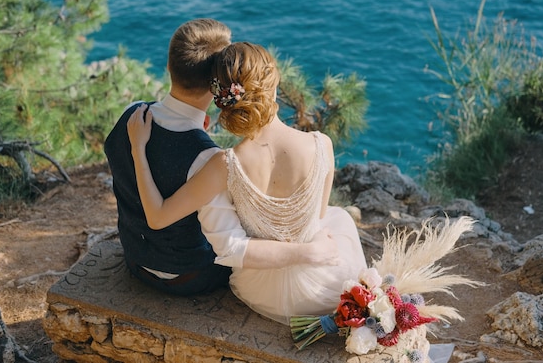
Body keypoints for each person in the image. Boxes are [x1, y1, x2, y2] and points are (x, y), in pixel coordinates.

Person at [127, 41, 367, 323]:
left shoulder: (224, 165)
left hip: (263, 293)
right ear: (274, 84)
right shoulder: (321, 144)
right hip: (325, 284)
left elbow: (157, 217)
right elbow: (319, 215)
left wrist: (137, 150)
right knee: (338, 218)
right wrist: (308, 250)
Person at [105, 20, 338, 297]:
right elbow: (231, 246)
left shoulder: (134, 114)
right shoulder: (208, 158)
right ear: (215, 86)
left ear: (169, 67)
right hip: (187, 276)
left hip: (136, 259)